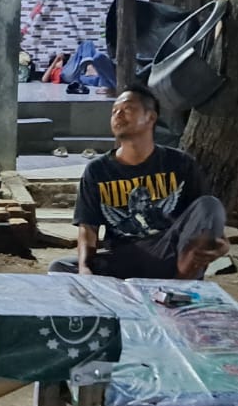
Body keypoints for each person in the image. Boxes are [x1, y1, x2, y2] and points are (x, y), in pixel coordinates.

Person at [49, 84, 228, 279]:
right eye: (114, 111)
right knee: (61, 268)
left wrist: (221, 244)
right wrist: (84, 268)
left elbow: (205, 214)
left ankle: (180, 285)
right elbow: (88, 228)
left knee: (210, 203)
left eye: (127, 109)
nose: (118, 115)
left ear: (150, 117)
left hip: (170, 256)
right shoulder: (97, 170)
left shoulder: (180, 163)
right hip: (124, 259)